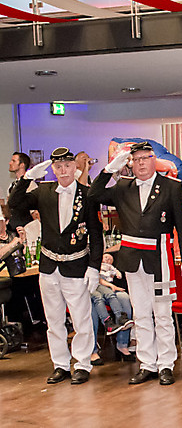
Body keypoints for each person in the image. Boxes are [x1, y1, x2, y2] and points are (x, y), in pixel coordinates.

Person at [89, 141, 182, 386]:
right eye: (136, 160)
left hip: (159, 258)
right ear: (131, 163)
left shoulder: (170, 187)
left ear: (153, 160)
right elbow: (94, 195)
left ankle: (166, 364)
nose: (141, 164)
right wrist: (109, 170)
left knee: (163, 314)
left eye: (145, 158)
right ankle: (147, 363)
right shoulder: (123, 187)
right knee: (141, 314)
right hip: (132, 258)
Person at [8, 147, 103, 385]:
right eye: (58, 167)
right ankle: (60, 364)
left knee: (81, 320)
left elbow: (96, 233)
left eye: (67, 166)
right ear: (53, 169)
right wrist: (27, 178)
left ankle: (82, 364)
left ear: (75, 167)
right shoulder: (44, 191)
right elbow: (15, 204)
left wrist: (94, 267)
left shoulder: (87, 194)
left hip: (76, 265)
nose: (63, 171)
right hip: (49, 266)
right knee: (54, 321)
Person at [90, 253, 135, 365]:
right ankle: (92, 350)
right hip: (92, 287)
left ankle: (122, 344)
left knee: (124, 298)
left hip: (109, 287)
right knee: (93, 305)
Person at [7, 151, 35, 230]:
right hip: (13, 228)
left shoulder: (30, 185)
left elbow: (35, 213)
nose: (10, 163)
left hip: (25, 229)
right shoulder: (12, 185)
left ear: (22, 165)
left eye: (13, 161)